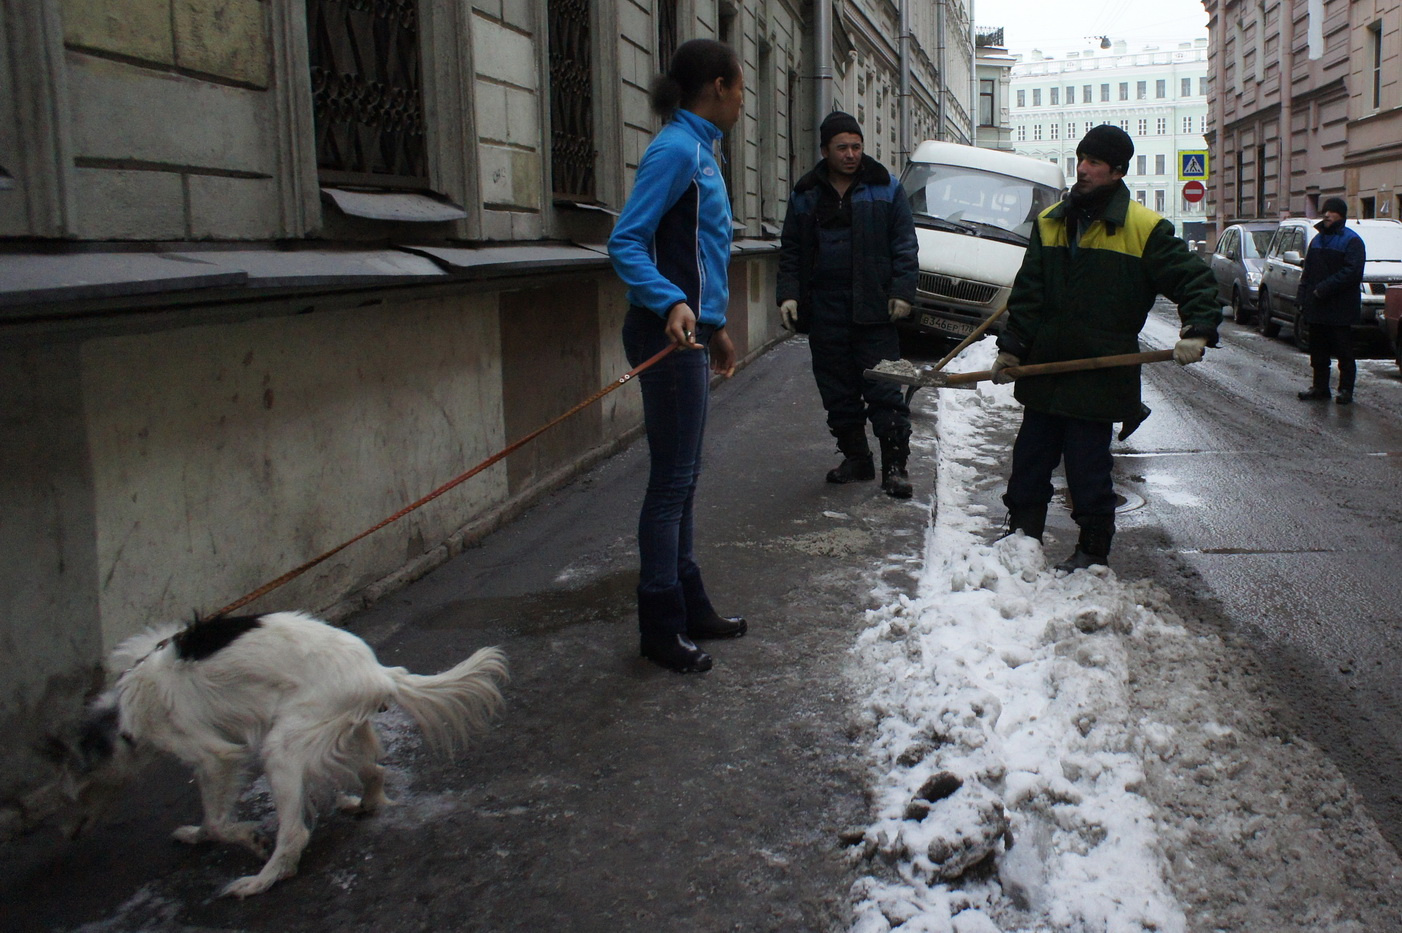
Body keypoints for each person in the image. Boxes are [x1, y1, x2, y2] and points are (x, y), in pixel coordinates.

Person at [992, 124, 1221, 571]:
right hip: (1045, 368)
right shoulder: (1051, 222)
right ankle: (1021, 539)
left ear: (1117, 171)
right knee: (1030, 463)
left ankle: (1092, 552)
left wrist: (1197, 328)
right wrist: (1013, 346)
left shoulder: (1144, 228)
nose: (1083, 168)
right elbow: (1029, 293)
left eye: (1094, 162)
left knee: (1088, 470)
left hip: (1098, 375)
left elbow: (1195, 280)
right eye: (1081, 159)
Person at [607, 39, 747, 674]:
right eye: (741, 87)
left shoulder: (702, 152)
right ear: (718, 86)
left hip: (688, 334)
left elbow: (698, 253)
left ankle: (688, 606)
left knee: (683, 480)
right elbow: (627, 242)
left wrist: (713, 325)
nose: (744, 100)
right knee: (670, 484)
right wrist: (670, 304)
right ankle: (660, 624)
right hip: (663, 336)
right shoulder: (677, 151)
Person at [776, 111, 920, 499]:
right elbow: (791, 249)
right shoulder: (806, 193)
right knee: (837, 390)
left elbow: (905, 245)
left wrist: (903, 293)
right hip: (825, 308)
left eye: (856, 146)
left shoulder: (885, 188)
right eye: (843, 147)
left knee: (885, 387)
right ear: (825, 151)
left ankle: (895, 468)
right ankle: (857, 459)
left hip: (874, 309)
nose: (852, 154)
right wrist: (788, 294)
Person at [1296, 197, 1364, 405]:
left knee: (1344, 351)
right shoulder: (1317, 240)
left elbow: (1352, 272)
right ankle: (1320, 387)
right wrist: (1303, 297)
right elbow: (1307, 272)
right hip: (1317, 306)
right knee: (1318, 351)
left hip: (1340, 307)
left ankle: (1345, 390)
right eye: (1325, 211)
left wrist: (1324, 289)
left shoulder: (1352, 240)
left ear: (1341, 215)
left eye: (1331, 211)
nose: (1326, 215)